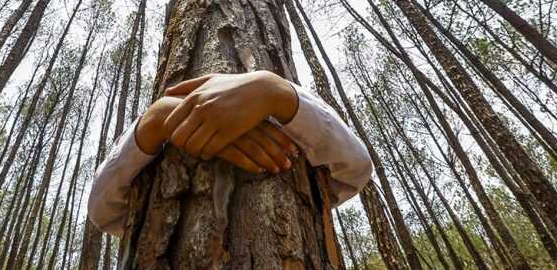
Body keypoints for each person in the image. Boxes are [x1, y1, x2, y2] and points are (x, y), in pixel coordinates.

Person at [87, 70, 373, 236]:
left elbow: (355, 167)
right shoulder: (155, 123)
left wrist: (274, 91)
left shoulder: (293, 96)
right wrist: (153, 122)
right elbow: (102, 211)